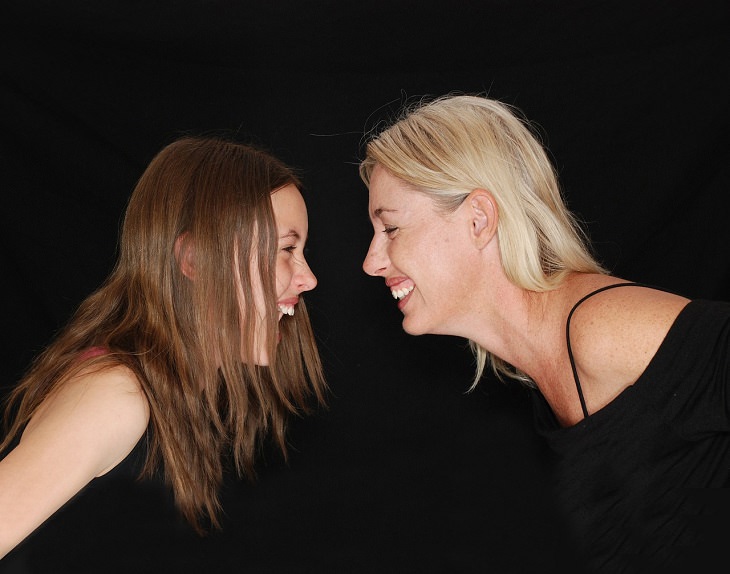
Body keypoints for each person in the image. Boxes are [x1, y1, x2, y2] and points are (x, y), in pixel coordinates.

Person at [359, 94, 730, 572]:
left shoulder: (602, 328)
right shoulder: (537, 368)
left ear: (479, 219)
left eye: (390, 229)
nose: (372, 262)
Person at [0, 136, 327, 560]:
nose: (308, 278)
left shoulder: (180, 393)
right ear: (192, 258)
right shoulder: (113, 395)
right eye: (286, 249)